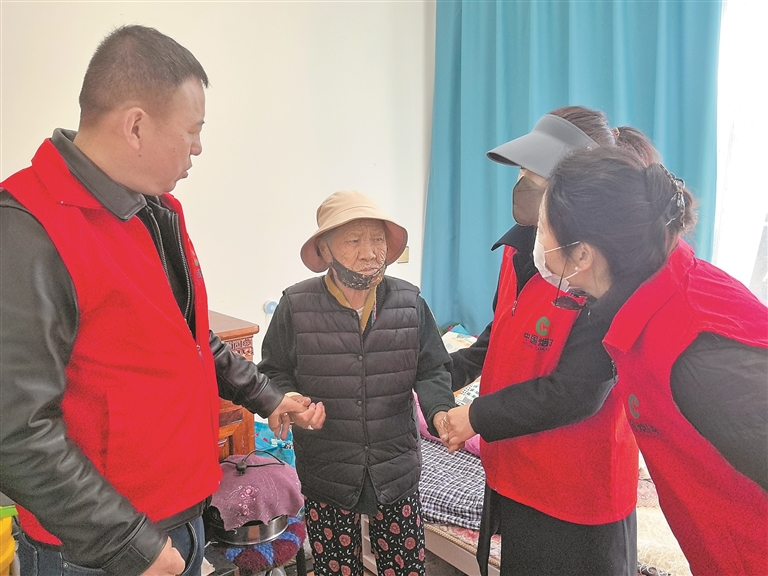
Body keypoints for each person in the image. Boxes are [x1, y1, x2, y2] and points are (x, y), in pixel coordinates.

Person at [0, 25, 316, 576]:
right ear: (136, 126)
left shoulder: (157, 209)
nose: (198, 147)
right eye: (192, 130)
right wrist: (129, 546)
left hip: (180, 515)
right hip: (99, 549)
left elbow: (191, 340)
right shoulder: (30, 228)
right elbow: (17, 429)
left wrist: (265, 396)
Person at [540, 146, 768, 575]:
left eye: (543, 225)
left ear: (583, 254)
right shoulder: (643, 308)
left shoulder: (698, 351)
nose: (538, 237)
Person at [442, 106, 640, 575]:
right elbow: (500, 334)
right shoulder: (518, 251)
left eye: (537, 178)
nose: (522, 187)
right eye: (522, 173)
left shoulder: (601, 274)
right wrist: (439, 373)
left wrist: (475, 416)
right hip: (516, 475)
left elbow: (577, 392)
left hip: (577, 494)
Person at [258, 190, 456, 576]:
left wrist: (440, 412)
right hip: (328, 470)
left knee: (405, 569)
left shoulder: (409, 302)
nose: (369, 253)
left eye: (377, 239)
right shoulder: (296, 305)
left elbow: (433, 368)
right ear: (325, 249)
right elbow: (273, 370)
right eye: (353, 240)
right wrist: (291, 400)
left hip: (395, 469)